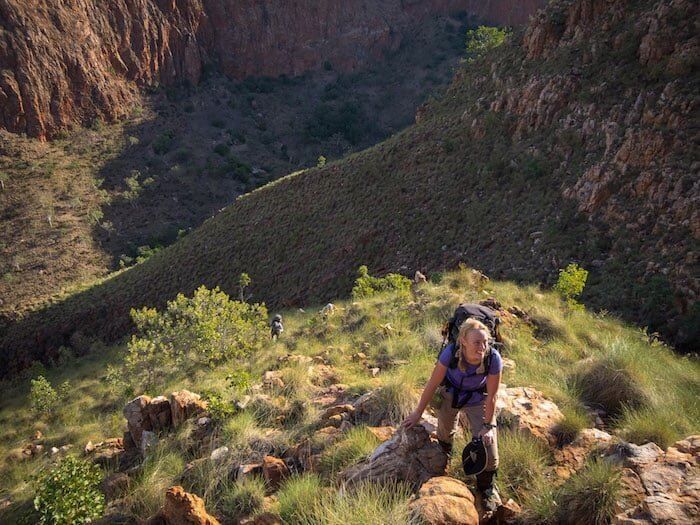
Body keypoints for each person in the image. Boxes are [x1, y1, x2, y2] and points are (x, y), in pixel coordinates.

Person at [402, 318, 502, 510]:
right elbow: (432, 384)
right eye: (476, 343)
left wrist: (488, 427)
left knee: (489, 449)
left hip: (478, 399)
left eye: (485, 342)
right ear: (463, 341)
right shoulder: (450, 353)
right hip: (451, 394)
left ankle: (486, 487)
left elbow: (492, 396)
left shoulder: (493, 358)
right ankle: (445, 457)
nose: (482, 347)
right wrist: (417, 413)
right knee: (444, 432)